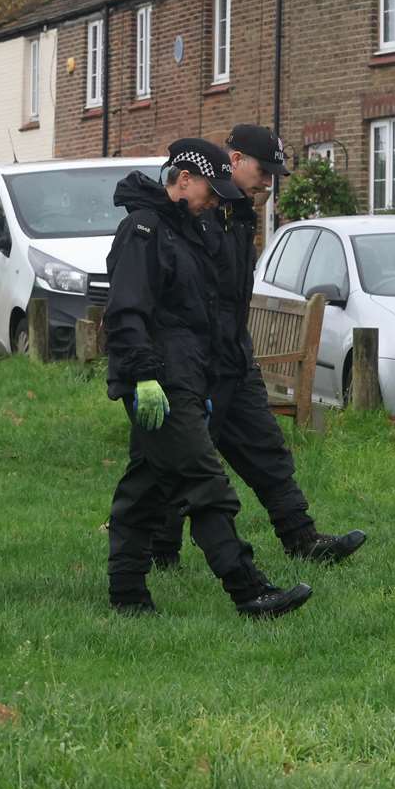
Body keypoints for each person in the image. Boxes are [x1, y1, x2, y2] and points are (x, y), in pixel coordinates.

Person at [104, 138, 312, 619]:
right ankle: (247, 590)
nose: (217, 200)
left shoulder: (188, 231)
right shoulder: (144, 230)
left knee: (148, 484)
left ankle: (127, 592)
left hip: (189, 376)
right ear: (183, 180)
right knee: (205, 484)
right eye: (211, 191)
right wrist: (143, 378)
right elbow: (127, 311)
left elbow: (208, 310)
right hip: (158, 378)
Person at [150, 124, 367, 569]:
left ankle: (301, 537)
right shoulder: (200, 212)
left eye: (274, 174)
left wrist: (238, 351)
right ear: (233, 161)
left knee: (267, 450)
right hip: (195, 364)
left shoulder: (240, 215)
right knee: (182, 463)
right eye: (262, 170)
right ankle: (161, 552)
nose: (268, 180)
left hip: (235, 358)